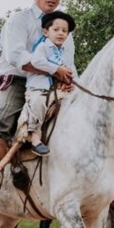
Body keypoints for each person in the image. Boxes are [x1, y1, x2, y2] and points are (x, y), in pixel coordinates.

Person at [0, 0, 78, 206]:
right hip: (16, 78)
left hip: (52, 83)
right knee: (5, 115)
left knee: (81, 115)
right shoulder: (19, 20)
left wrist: (70, 80)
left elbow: (70, 64)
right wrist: (54, 71)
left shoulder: (64, 29)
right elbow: (16, 56)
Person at [22, 10, 78, 156]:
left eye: (64, 31)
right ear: (46, 32)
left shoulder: (65, 52)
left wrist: (72, 83)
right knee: (37, 102)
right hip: (39, 87)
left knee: (75, 102)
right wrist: (57, 69)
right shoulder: (42, 47)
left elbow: (71, 70)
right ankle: (35, 137)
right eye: (56, 29)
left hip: (57, 89)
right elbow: (37, 61)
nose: (60, 33)